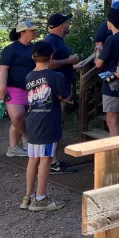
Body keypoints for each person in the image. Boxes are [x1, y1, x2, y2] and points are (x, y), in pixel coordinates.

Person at [21, 41, 69, 212]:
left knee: (33, 159)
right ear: (51, 56)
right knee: (46, 159)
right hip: (48, 124)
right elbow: (64, 97)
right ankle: (41, 198)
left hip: (32, 122)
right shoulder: (56, 77)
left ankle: (28, 196)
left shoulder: (28, 77)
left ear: (33, 56)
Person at [41, 13, 80, 174]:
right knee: (53, 127)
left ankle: (52, 161)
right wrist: (69, 61)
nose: (69, 24)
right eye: (67, 22)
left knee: (56, 126)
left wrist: (74, 65)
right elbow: (47, 64)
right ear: (61, 25)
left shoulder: (57, 41)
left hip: (59, 89)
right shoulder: (50, 41)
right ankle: (51, 163)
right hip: (53, 92)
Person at [0, 20, 38, 157]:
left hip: (32, 88)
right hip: (14, 87)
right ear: (23, 32)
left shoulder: (35, 48)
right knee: (17, 117)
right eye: (32, 30)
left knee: (23, 118)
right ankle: (27, 137)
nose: (35, 32)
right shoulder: (10, 49)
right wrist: (2, 86)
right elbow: (3, 68)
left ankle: (13, 148)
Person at [95, 9, 119, 137]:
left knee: (112, 119)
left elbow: (98, 63)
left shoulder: (111, 40)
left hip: (112, 82)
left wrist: (98, 50)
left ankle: (115, 152)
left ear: (110, 22)